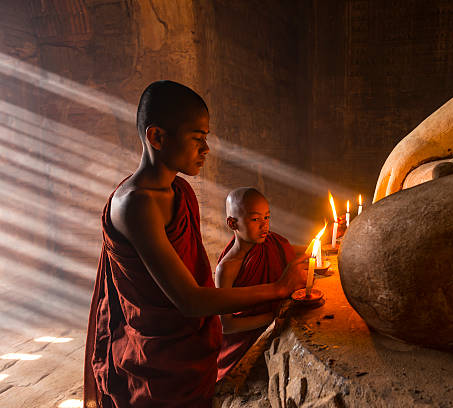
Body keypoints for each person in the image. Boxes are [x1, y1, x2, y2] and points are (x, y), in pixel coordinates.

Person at [83, 80, 307, 408]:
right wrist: (278, 288)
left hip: (191, 344)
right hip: (158, 358)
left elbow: (193, 274)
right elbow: (190, 300)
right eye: (197, 139)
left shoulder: (181, 191)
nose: (206, 149)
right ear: (157, 137)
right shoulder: (135, 205)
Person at [215, 187, 297, 381]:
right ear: (232, 223)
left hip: (276, 328)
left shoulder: (273, 244)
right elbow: (226, 325)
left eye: (267, 218)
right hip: (243, 343)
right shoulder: (227, 268)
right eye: (255, 219)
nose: (264, 226)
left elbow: (307, 252)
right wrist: (272, 318)